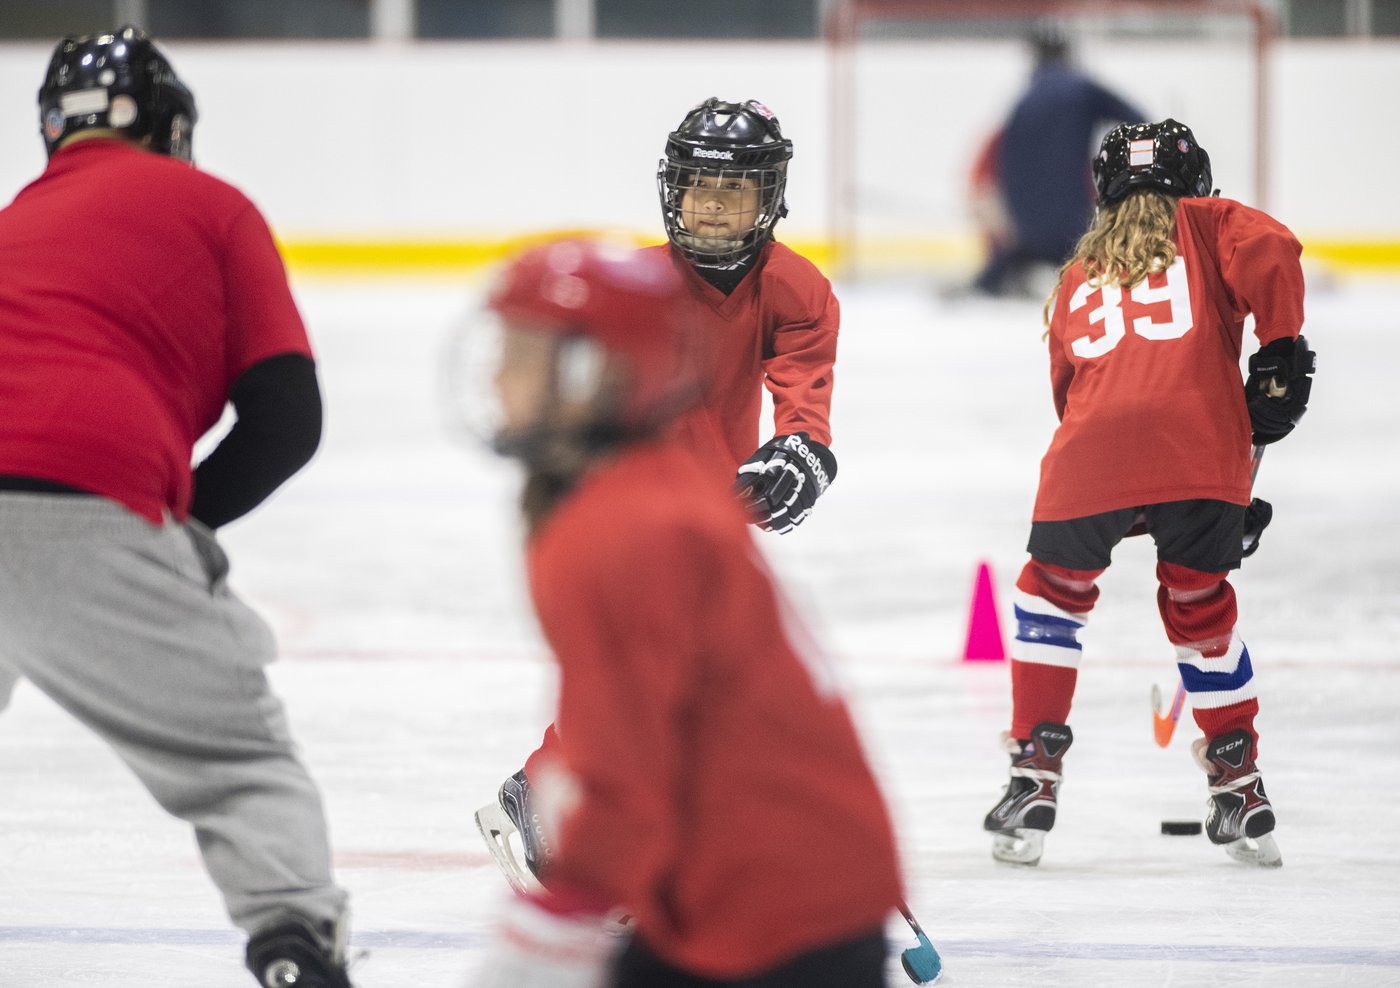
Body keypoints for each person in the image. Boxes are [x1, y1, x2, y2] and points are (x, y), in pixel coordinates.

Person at [0, 27, 355, 986]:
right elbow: (287, 419)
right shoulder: (215, 208)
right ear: (172, 128)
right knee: (241, 767)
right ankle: (294, 943)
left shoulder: (8, 223)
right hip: (78, 495)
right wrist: (179, 523)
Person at [470, 238, 904, 988]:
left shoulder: (620, 530)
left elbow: (623, 775)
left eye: (520, 353)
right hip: (777, 878)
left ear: (590, 376)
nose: (495, 377)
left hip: (774, 907)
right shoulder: (651, 492)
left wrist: (557, 916)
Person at [475, 97, 841, 892]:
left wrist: (804, 449)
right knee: (642, 662)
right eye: (698, 187)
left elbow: (805, 386)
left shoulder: (797, 287)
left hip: (709, 505)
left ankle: (597, 803)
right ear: (671, 190)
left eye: (732, 189)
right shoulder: (639, 285)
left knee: (686, 672)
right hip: (622, 497)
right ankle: (550, 791)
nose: (711, 206)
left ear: (770, 197)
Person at [982, 119, 1315, 869]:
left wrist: (1126, 493)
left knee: (1052, 595)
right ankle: (1239, 782)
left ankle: (1034, 774)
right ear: (1193, 181)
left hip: (1089, 460)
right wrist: (1283, 348)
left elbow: (1073, 397)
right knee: (1200, 604)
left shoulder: (1077, 274)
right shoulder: (1207, 223)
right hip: (1201, 457)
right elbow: (1273, 246)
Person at [969, 24, 1146, 297]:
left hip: (1024, 231)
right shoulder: (1083, 89)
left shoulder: (1022, 103)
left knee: (1037, 244)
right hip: (1073, 230)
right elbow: (1138, 121)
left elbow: (1002, 168)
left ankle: (996, 276)